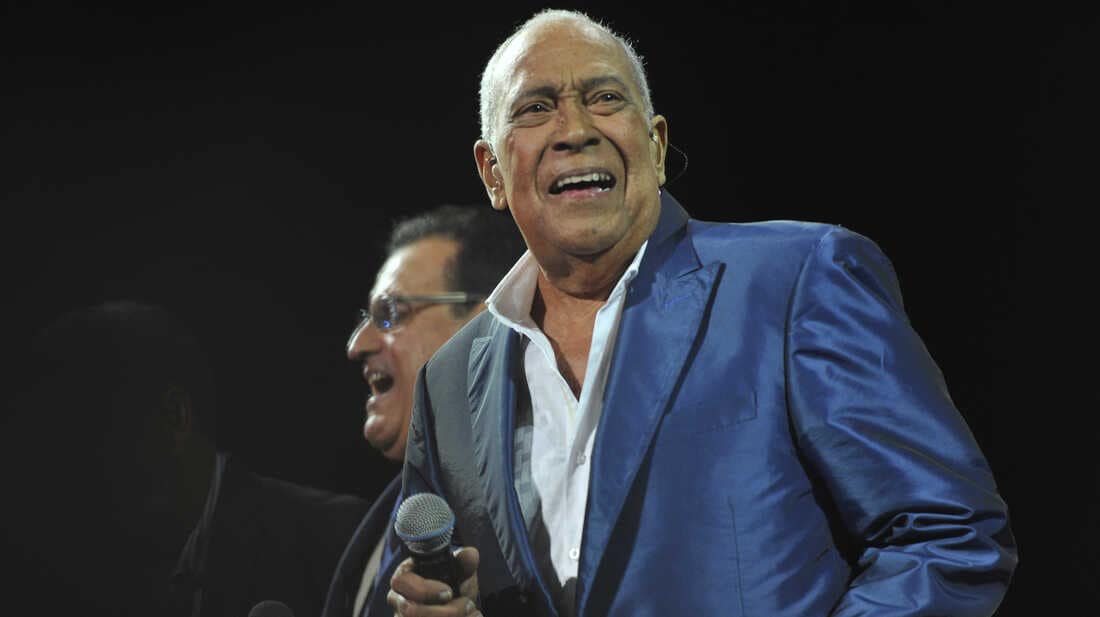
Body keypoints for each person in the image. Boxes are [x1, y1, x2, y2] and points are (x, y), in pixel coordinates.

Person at [385, 9, 1018, 617]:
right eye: (536, 107)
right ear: (492, 172)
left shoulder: (795, 280)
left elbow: (945, 535)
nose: (575, 129)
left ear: (657, 146)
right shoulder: (448, 382)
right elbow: (423, 579)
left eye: (605, 98)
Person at [1, 300, 369, 617]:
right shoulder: (62, 572)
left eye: (87, 429)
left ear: (175, 416)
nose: (65, 465)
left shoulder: (340, 541)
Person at [320, 204, 526, 617]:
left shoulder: (541, 505)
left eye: (391, 314)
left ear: (484, 323)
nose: (357, 345)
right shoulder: (380, 525)